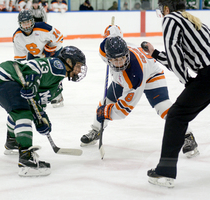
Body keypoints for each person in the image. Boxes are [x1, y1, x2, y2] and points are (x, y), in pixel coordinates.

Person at [80, 26, 199, 159]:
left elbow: (123, 110)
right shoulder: (104, 49)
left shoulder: (134, 76)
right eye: (115, 60)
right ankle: (96, 130)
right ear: (108, 57)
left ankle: (188, 135)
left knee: (163, 107)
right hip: (122, 78)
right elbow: (113, 33)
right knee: (106, 102)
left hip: (150, 74)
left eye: (122, 58)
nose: (119, 63)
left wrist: (107, 112)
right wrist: (111, 31)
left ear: (126, 54)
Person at [0, 46, 87, 176]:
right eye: (78, 65)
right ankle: (26, 159)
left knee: (19, 110)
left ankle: (12, 141)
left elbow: (37, 106)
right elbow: (33, 65)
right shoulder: (58, 66)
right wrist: (32, 81)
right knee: (23, 112)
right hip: (7, 76)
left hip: (1, 79)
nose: (79, 70)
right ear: (68, 61)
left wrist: (43, 120)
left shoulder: (57, 86)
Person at [143, 0, 210, 188]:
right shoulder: (195, 21)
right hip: (207, 75)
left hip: (206, 77)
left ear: (166, 8)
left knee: (176, 116)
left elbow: (174, 55)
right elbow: (180, 57)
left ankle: (165, 172)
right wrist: (155, 53)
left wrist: (187, 81)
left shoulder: (170, 18)